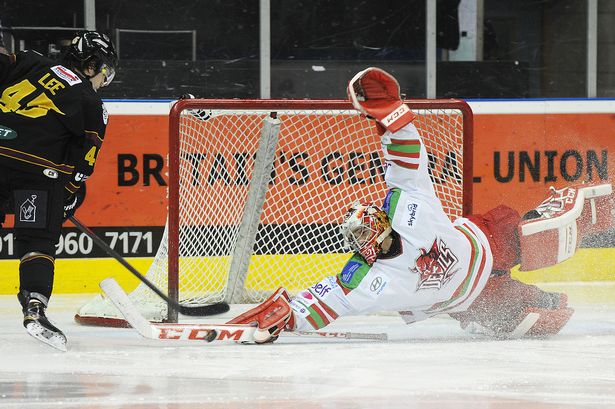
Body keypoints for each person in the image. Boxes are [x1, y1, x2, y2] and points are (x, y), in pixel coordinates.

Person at [228, 67, 614, 344]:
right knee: (537, 318)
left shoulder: (406, 208)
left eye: (368, 225)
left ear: (382, 219)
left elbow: (407, 162)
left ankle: (603, 208)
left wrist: (392, 117)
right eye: (359, 236)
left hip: (488, 244)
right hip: (473, 300)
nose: (368, 236)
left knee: (547, 234)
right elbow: (324, 303)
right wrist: (285, 318)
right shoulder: (366, 280)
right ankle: (541, 305)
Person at [0, 31, 118, 351]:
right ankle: (35, 308)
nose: (104, 80)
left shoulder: (28, 60)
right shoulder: (91, 101)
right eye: (104, 71)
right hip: (36, 174)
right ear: (91, 66)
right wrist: (69, 193)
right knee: (37, 239)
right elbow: (84, 162)